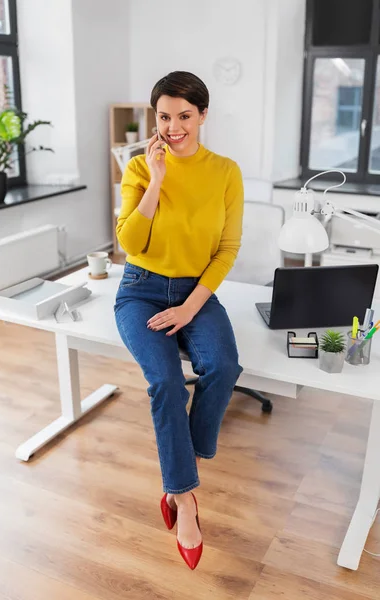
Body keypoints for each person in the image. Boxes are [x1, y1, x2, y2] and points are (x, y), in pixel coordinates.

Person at [114, 71, 244, 570]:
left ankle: (183, 457)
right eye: (164, 116)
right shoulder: (140, 167)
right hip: (140, 291)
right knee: (167, 381)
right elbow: (130, 244)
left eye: (184, 116)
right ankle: (184, 498)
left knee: (225, 367)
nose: (172, 127)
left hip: (196, 291)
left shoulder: (225, 171)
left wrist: (190, 307)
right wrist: (157, 178)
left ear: (203, 115)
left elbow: (228, 248)